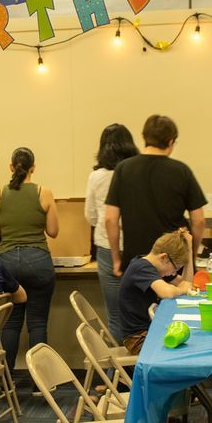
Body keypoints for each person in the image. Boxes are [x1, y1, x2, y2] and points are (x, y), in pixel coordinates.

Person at [104, 114, 206, 276]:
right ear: (171, 141)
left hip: (137, 262)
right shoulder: (181, 171)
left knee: (139, 301)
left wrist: (117, 259)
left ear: (144, 137)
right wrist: (190, 255)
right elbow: (199, 220)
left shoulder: (124, 169)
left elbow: (110, 218)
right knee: (176, 300)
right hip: (173, 262)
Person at [0, 147, 59, 373]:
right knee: (37, 322)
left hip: (7, 264)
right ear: (33, 169)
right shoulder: (43, 192)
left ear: (11, 167)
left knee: (11, 323)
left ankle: (7, 383)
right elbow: (53, 231)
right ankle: (42, 382)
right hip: (38, 261)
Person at [85, 123, 140, 341]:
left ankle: (115, 372)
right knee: (141, 311)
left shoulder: (97, 177)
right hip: (137, 246)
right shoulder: (136, 173)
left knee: (115, 316)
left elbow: (91, 216)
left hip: (107, 248)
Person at [117, 229, 195, 354]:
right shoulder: (141, 267)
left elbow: (187, 283)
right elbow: (168, 292)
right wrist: (181, 289)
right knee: (187, 351)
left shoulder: (155, 267)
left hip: (149, 331)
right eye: (175, 268)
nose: (173, 273)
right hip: (138, 339)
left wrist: (189, 250)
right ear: (164, 257)